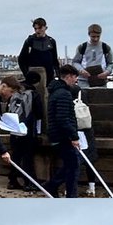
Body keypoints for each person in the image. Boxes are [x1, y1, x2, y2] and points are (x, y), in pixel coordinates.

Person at [46, 64, 82, 198]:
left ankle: (53, 186)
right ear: (68, 76)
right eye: (74, 77)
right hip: (63, 136)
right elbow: (62, 118)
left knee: (71, 164)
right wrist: (74, 136)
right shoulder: (64, 94)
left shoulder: (56, 92)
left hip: (57, 135)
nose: (75, 80)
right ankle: (69, 195)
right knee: (73, 166)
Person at [18, 18, 60, 84]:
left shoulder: (51, 41)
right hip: (34, 77)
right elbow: (21, 60)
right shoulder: (30, 41)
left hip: (49, 77)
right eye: (35, 29)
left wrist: (58, 75)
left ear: (45, 28)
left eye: (40, 28)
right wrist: (27, 75)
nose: (37, 31)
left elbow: (55, 60)